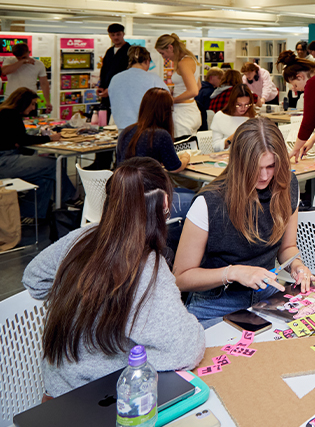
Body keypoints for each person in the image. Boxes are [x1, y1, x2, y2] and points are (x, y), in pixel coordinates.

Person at [22, 158, 205, 398]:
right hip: (101, 400)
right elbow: (186, 350)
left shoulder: (81, 238)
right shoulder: (147, 266)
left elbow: (34, 279)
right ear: (165, 203)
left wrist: (83, 300)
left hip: (57, 392)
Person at [173, 118, 315, 327]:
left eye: (271, 166)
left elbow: (287, 247)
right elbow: (180, 278)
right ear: (239, 164)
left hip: (266, 292)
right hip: (216, 302)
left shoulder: (287, 186)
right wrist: (233, 272)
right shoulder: (209, 202)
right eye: (255, 168)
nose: (264, 176)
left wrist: (296, 266)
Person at [115, 88, 194, 218]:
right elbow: (175, 167)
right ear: (166, 112)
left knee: (185, 193)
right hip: (148, 202)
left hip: (125, 197)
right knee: (197, 199)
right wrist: (186, 157)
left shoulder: (126, 131)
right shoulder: (160, 135)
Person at [0, 88, 71, 221]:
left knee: (45, 177)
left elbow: (18, 140)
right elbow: (23, 140)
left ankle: (30, 215)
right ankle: (70, 198)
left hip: (7, 158)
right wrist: (50, 138)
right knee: (53, 164)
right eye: (32, 104)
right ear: (23, 102)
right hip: (4, 160)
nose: (33, 108)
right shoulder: (10, 114)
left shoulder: (6, 113)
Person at [107, 46, 169, 131]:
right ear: (147, 61)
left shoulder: (115, 79)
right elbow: (167, 100)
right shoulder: (153, 78)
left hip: (123, 128)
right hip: (146, 128)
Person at [155, 34, 202, 138]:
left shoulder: (183, 63)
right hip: (191, 110)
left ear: (170, 48)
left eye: (162, 53)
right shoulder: (191, 60)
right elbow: (198, 86)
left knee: (182, 149)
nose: (163, 57)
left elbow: (194, 91)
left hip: (183, 114)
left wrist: (172, 99)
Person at [1, 43, 51, 114]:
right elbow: (4, 71)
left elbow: (44, 83)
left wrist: (48, 102)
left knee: (31, 124)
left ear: (29, 52)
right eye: (18, 57)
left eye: (24, 57)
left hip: (30, 102)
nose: (21, 59)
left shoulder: (38, 64)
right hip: (11, 100)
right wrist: (22, 61)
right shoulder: (9, 61)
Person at [210, 84, 257, 152]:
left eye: (247, 104)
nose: (243, 108)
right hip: (226, 157)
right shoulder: (220, 116)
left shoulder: (253, 117)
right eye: (239, 105)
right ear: (232, 102)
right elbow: (215, 147)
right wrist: (231, 139)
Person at [96, 23, 130, 105]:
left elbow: (128, 74)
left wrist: (112, 89)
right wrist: (101, 87)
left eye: (118, 34)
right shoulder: (109, 51)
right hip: (107, 94)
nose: (116, 37)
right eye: (113, 35)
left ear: (123, 34)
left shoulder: (130, 51)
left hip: (123, 94)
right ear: (109, 36)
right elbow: (104, 71)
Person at [197, 67, 223, 131]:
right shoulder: (211, 92)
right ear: (211, 78)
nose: (221, 81)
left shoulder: (199, 88)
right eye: (219, 78)